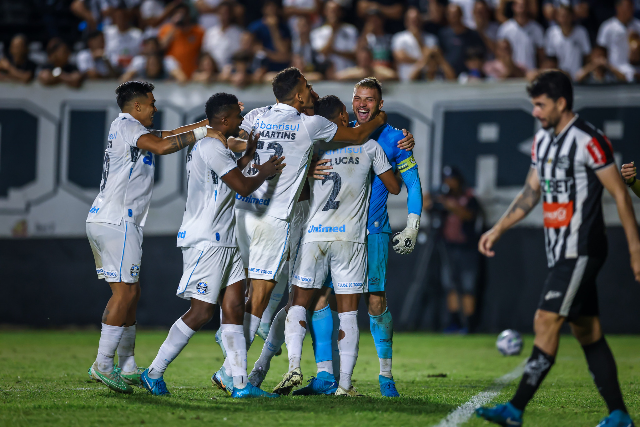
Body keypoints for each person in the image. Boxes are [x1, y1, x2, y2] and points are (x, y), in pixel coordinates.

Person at [210, 68, 390, 396]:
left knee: (254, 293)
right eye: (307, 87)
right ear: (297, 96)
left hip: (242, 211)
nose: (311, 91)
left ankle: (243, 352)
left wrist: (251, 151)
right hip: (274, 219)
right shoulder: (311, 124)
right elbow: (354, 137)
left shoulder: (256, 115)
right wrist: (380, 121)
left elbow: (230, 137)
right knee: (263, 299)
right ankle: (230, 372)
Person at [475, 70, 639, 427]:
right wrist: (499, 228)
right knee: (588, 331)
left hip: (582, 248)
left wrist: (636, 248)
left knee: (545, 319)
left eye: (540, 104)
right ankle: (619, 415)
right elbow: (531, 192)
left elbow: (619, 194)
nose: (534, 112)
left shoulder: (589, 140)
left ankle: (515, 409)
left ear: (561, 103)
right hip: (559, 251)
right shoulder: (542, 142)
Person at [141, 93, 284, 398]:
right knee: (202, 311)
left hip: (226, 239)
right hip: (207, 239)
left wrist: (250, 156)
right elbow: (243, 185)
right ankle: (153, 372)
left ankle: (241, 385)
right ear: (222, 120)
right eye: (235, 116)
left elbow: (230, 177)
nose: (240, 121)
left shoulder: (218, 148)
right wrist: (264, 171)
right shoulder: (209, 145)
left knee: (233, 308)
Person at [85, 81, 220, 393]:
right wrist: (203, 133)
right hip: (117, 220)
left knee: (131, 292)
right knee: (125, 294)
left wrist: (205, 124)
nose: (155, 109)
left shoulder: (128, 128)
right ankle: (103, 363)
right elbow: (161, 146)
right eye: (151, 103)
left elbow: (162, 137)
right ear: (137, 107)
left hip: (112, 220)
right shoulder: (127, 125)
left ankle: (128, 364)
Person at [297, 77, 424, 398]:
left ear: (380, 105)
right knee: (321, 299)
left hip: (372, 232)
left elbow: (412, 183)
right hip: (334, 232)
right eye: (358, 98)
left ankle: (385, 376)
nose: (363, 104)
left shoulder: (396, 139)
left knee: (376, 302)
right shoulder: (341, 132)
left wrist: (412, 224)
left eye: (370, 99)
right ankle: (327, 376)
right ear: (352, 102)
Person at [275, 95, 401, 397]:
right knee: (347, 314)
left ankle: (293, 365)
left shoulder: (312, 150)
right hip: (350, 241)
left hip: (315, 237)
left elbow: (294, 185)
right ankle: (344, 385)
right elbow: (395, 187)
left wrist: (309, 171)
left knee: (298, 304)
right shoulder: (369, 147)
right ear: (343, 116)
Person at [424, 166, 481, 333]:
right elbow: (428, 209)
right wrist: (427, 200)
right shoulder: (442, 199)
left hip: (468, 248)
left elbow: (469, 216)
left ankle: (469, 324)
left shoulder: (469, 197)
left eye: (452, 179)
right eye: (446, 179)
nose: (449, 183)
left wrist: (451, 205)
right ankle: (454, 322)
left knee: (468, 285)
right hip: (448, 247)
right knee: (450, 285)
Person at [310, 1, 359, 74]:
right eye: (331, 11)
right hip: (328, 75)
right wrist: (333, 31)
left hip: (348, 73)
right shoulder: (317, 32)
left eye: (336, 11)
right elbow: (323, 53)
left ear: (340, 12)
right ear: (325, 12)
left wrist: (334, 51)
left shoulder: (350, 30)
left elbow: (355, 55)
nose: (334, 14)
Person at [438, 3, 486, 76]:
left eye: (456, 15)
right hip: (449, 77)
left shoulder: (473, 34)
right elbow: (441, 54)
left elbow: (480, 56)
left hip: (469, 76)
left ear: (461, 15)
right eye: (451, 15)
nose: (454, 17)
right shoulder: (444, 34)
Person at [392, 7, 439, 82]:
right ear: (406, 22)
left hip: (427, 79)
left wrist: (419, 40)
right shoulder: (399, 37)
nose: (415, 23)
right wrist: (423, 61)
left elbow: (433, 58)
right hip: (406, 80)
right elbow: (400, 57)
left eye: (417, 20)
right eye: (412, 21)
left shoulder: (431, 38)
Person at [544, 4, 591, 79]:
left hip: (578, 78)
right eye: (562, 16)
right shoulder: (551, 33)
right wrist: (560, 73)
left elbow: (587, 57)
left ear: (572, 16)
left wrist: (583, 73)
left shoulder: (581, 32)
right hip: (559, 78)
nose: (564, 19)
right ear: (557, 17)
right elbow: (551, 60)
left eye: (567, 16)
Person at [158, 3, 205, 78]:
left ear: (188, 15)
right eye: (177, 14)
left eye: (183, 14)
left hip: (192, 76)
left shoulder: (198, 32)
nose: (181, 17)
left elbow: (202, 53)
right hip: (171, 77)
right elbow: (161, 47)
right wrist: (174, 26)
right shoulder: (166, 29)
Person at [496, 0, 544, 71]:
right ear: (513, 7)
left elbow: (541, 55)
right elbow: (499, 53)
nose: (521, 7)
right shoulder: (505, 29)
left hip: (530, 72)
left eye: (524, 4)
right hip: (511, 74)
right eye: (518, 5)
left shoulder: (536, 29)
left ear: (528, 7)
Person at [596, 0, 640, 69]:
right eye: (628, 7)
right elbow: (600, 53)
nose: (632, 9)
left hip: (635, 73)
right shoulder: (607, 27)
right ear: (618, 8)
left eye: (632, 7)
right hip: (614, 72)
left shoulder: (638, 26)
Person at [202, 1, 243, 70]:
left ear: (231, 15)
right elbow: (205, 54)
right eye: (221, 13)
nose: (223, 16)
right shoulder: (210, 33)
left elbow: (240, 57)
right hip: (212, 73)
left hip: (231, 72)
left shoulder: (239, 33)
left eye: (226, 13)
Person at [104, 5, 143, 73]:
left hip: (130, 68)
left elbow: (141, 53)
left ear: (127, 18)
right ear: (114, 19)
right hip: (111, 67)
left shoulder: (137, 34)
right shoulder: (107, 32)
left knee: (140, 60)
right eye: (118, 18)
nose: (120, 20)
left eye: (123, 17)